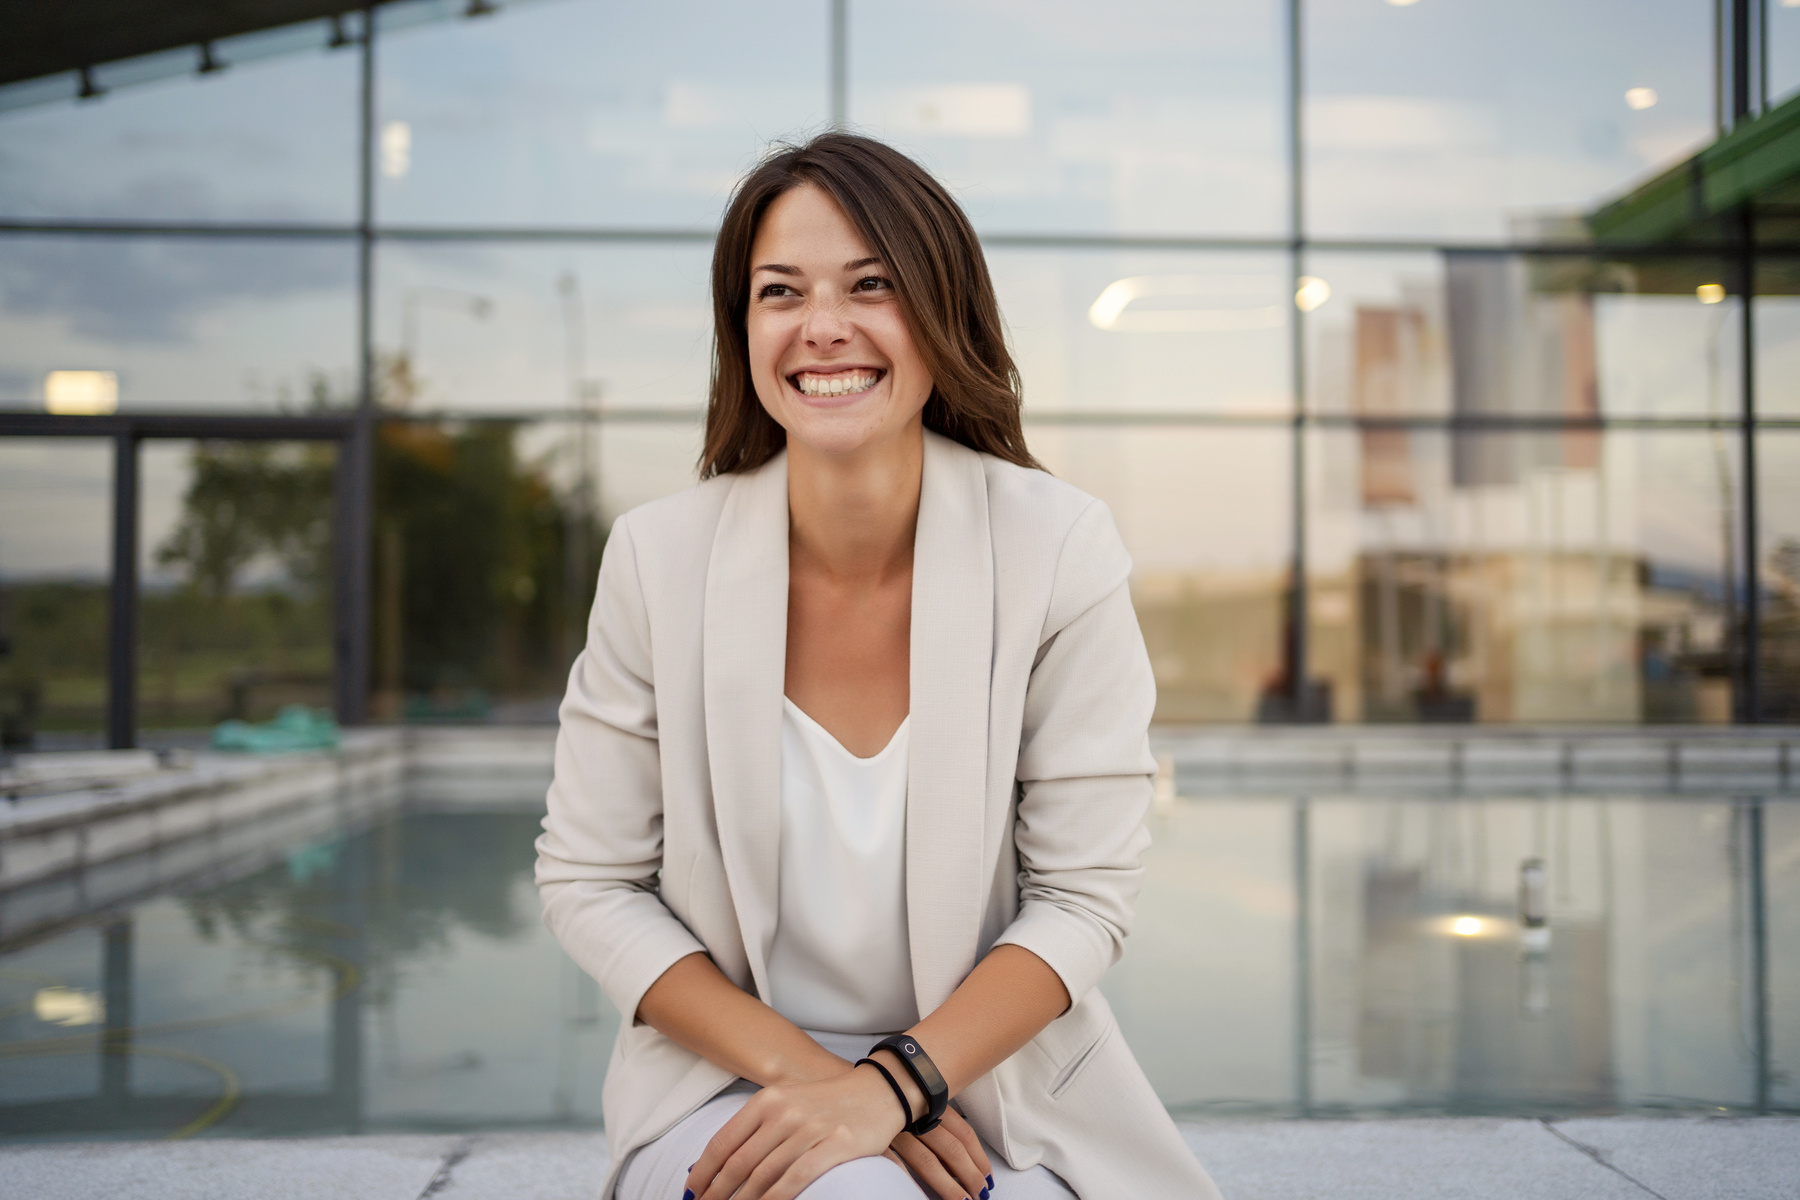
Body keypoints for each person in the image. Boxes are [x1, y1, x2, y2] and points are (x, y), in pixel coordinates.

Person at [535, 132, 1221, 1200]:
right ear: (742, 329)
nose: (823, 328)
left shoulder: (1057, 548)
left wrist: (902, 1081)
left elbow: (1084, 899)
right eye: (780, 292)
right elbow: (590, 881)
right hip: (730, 1086)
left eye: (872, 286)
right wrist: (830, 1083)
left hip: (995, 1090)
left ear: (944, 314)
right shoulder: (658, 558)